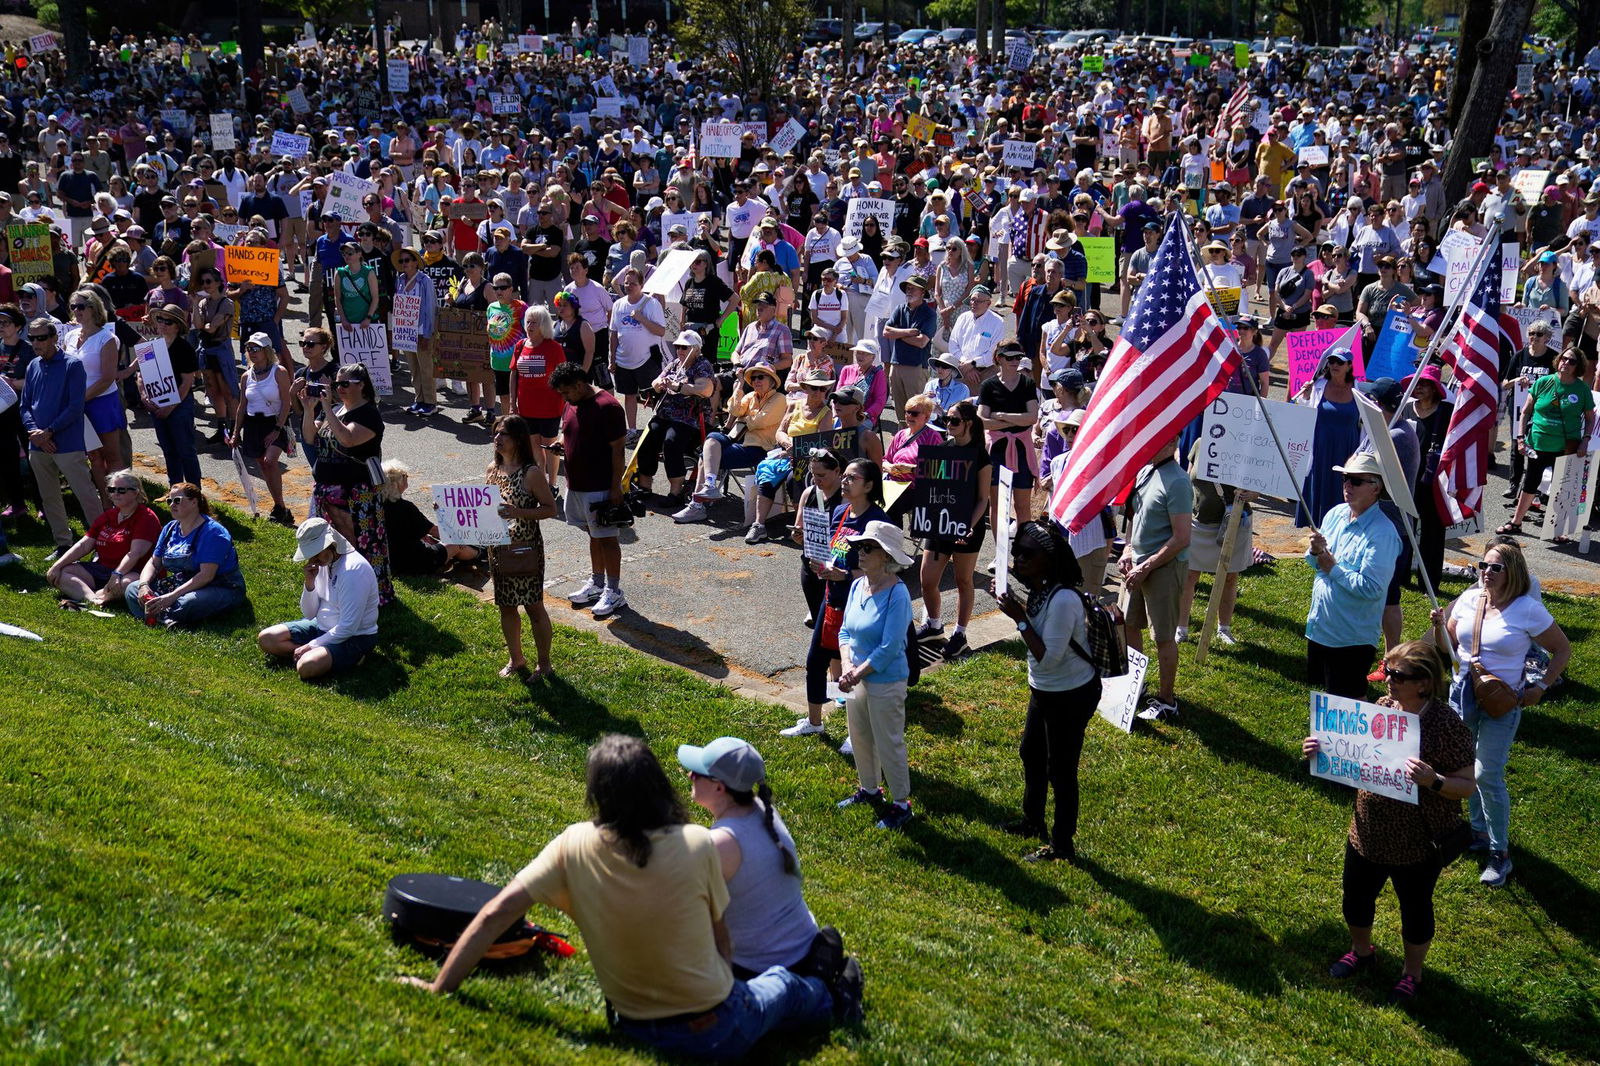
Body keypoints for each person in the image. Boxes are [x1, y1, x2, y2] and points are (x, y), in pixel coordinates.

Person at [400, 735, 860, 1060]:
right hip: (716, 1030)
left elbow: (494, 914)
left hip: (631, 1025)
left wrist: (439, 988)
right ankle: (830, 992)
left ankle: (821, 983)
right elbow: (721, 945)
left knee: (777, 983)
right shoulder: (700, 843)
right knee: (781, 986)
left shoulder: (569, 844)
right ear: (657, 788)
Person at [1302, 640, 1477, 1006]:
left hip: (1417, 841)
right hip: (1367, 829)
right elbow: (1357, 752)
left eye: (1398, 675)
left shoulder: (1446, 726)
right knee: (1355, 898)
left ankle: (1411, 974)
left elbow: (1467, 786)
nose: (1388, 680)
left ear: (1424, 683)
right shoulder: (1383, 708)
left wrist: (1435, 780)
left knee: (1414, 909)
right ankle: (1361, 951)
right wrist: (1323, 749)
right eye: (1387, 670)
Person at [1435, 542, 1570, 888]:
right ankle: (1478, 831)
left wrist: (1540, 687)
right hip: (1462, 695)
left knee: (1487, 775)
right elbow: (1448, 643)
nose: (1486, 572)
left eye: (1495, 568)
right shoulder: (1469, 599)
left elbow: (1561, 649)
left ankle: (1501, 854)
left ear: (1514, 573)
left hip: (1501, 702)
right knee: (1465, 767)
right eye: (1483, 565)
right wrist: (1438, 626)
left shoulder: (1527, 609)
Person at [677, 736, 844, 979]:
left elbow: (691, 915)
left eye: (697, 773)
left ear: (719, 787)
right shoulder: (764, 811)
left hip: (761, 968)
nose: (690, 776)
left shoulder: (722, 843)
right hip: (804, 948)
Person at [992, 521, 1100, 863]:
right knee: (1031, 753)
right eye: (1016, 551)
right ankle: (1032, 820)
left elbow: (1049, 658)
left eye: (1028, 553)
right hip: (1045, 690)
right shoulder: (1040, 589)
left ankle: (1062, 844)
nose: (1019, 558)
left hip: (1070, 693)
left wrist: (1019, 618)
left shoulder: (1064, 599)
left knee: (1061, 769)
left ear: (1048, 560)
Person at [785, 457, 889, 739]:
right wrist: (815, 555)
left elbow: (886, 570)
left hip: (862, 605)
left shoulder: (877, 522)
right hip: (832, 601)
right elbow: (833, 551)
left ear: (868, 485)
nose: (845, 482)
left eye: (852, 478)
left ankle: (857, 734)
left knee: (854, 670)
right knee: (816, 660)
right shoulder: (840, 511)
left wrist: (844, 575)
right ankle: (815, 721)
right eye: (845, 476)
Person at [835, 520, 916, 830]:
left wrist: (857, 672)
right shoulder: (857, 586)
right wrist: (846, 668)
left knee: (888, 742)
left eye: (867, 548)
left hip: (885, 680)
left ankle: (901, 803)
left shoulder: (898, 595)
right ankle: (869, 789)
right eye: (860, 547)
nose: (860, 552)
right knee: (860, 737)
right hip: (855, 678)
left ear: (886, 555)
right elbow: (845, 632)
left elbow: (890, 647)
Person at [293, 361, 394, 606]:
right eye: (337, 383)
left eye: (345, 384)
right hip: (327, 490)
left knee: (359, 543)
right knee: (330, 547)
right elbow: (309, 437)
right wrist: (309, 409)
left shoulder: (368, 413)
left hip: (355, 494)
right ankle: (337, 591)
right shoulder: (335, 409)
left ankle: (369, 595)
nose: (340, 388)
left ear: (362, 385)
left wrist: (327, 408)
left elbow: (347, 439)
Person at [1305, 453, 1401, 698]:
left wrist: (1332, 568)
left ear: (1376, 487)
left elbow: (1372, 588)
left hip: (1350, 639)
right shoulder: (1336, 514)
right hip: (1321, 628)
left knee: (1350, 701)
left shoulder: (1382, 534)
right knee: (1327, 697)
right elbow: (1315, 563)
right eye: (1346, 479)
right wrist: (1314, 552)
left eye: (1356, 481)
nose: (1348, 485)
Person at [911, 402, 991, 661]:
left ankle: (960, 633)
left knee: (963, 580)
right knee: (927, 579)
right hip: (938, 525)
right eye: (946, 419)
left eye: (954, 420)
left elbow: (982, 499)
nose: (948, 424)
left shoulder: (980, 455)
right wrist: (922, 519)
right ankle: (934, 625)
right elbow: (929, 489)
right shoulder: (941, 450)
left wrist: (968, 525)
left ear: (969, 422)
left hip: (967, 527)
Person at [1121, 434, 1191, 721]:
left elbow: (1182, 537)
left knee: (1162, 636)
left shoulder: (1178, 482)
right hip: (1138, 565)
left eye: (1157, 439)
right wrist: (1127, 549)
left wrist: (1146, 566)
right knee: (1128, 625)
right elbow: (1135, 516)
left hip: (1163, 568)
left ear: (1173, 443)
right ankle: (1134, 685)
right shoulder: (1145, 471)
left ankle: (1166, 700)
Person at [257, 517, 380, 680]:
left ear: (331, 545)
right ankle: (315, 655)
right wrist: (309, 584)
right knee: (266, 639)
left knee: (306, 668)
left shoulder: (353, 570)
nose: (312, 560)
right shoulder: (323, 563)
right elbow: (309, 614)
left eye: (316, 553)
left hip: (355, 637)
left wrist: (312, 645)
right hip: (321, 626)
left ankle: (351, 656)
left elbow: (349, 626)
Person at [21, 316, 104, 555]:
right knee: (49, 497)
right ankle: (63, 543)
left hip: (66, 443)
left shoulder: (72, 365)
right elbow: (25, 405)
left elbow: (75, 406)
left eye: (42, 338)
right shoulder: (33, 365)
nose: (37, 343)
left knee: (85, 494)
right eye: (32, 338)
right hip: (37, 445)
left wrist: (48, 432)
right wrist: (34, 432)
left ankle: (102, 543)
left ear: (54, 337)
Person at [552, 362, 629, 619]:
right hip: (576, 485)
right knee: (594, 535)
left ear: (579, 384)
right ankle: (597, 584)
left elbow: (618, 450)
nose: (564, 398)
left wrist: (616, 487)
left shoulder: (609, 407)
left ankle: (614, 591)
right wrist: (560, 443)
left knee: (607, 538)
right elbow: (569, 432)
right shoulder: (572, 403)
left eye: (566, 392)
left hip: (600, 487)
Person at [486, 415, 559, 678]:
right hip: (499, 549)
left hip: (526, 549)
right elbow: (485, 509)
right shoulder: (492, 470)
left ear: (517, 439)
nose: (497, 438)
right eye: (495, 433)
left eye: (503, 434)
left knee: (533, 606)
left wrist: (519, 512)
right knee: (506, 605)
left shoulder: (531, 473)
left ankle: (545, 664)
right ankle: (516, 659)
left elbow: (550, 509)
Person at [676, 364, 787, 525]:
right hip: (736, 439)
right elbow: (734, 411)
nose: (756, 381)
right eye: (753, 378)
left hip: (758, 448)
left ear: (771, 381)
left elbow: (760, 421)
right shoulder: (750, 396)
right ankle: (708, 485)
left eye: (760, 377)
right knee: (712, 438)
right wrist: (739, 386)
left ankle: (697, 503)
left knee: (704, 458)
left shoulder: (779, 399)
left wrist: (743, 420)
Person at [1500, 349, 1595, 538]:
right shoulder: (1543, 383)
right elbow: (1526, 412)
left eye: (1572, 361)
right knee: (1530, 483)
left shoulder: (1582, 389)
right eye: (1564, 358)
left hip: (1566, 446)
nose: (1566, 363)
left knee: (1563, 487)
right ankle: (1516, 522)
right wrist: (1520, 438)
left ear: (1579, 366)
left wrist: (1585, 441)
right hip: (1539, 443)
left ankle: (1558, 531)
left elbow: (1590, 418)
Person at [124, 483, 248, 627]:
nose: (172, 505)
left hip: (221, 586)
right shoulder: (170, 528)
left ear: (194, 502)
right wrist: (144, 585)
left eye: (177, 500)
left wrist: (171, 596)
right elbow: (154, 562)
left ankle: (155, 613)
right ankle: (165, 617)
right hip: (182, 583)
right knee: (132, 588)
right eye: (169, 501)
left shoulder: (213, 533)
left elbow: (206, 576)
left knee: (186, 603)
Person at [1175, 444, 1258, 646]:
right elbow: (1189, 478)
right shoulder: (1199, 443)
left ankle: (1224, 629)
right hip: (1198, 522)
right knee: (1189, 576)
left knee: (1229, 577)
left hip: (1233, 523)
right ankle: (1181, 628)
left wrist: (1252, 494)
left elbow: (1258, 488)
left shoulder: (1247, 445)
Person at [46, 469, 160, 608]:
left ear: (136, 492)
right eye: (111, 489)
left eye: (121, 490)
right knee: (63, 572)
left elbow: (135, 553)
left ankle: (94, 595)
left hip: (132, 571)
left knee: (128, 584)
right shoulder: (108, 516)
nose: (115, 493)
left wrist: (116, 574)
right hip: (102, 568)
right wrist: (56, 566)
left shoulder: (146, 518)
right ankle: (94, 599)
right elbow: (84, 545)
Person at [635, 330, 715, 501]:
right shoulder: (675, 364)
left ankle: (676, 491)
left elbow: (706, 389)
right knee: (648, 438)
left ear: (696, 349)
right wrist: (660, 384)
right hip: (665, 413)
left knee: (671, 442)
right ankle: (645, 485)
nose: (680, 351)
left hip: (689, 416)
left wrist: (678, 386)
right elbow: (655, 383)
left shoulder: (702, 365)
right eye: (678, 347)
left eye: (684, 348)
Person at [1294, 346, 1362, 527]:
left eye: (1340, 362)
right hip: (1321, 450)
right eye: (1331, 361)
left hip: (1347, 451)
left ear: (1349, 365)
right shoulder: (1318, 386)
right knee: (1320, 490)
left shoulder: (1359, 389)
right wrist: (1306, 396)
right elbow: (1303, 412)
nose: (1334, 365)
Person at [231, 333, 295, 525]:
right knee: (263, 465)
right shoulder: (245, 376)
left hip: (274, 422)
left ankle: (279, 505)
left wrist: (277, 429)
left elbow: (286, 403)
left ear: (267, 351)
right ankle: (280, 506)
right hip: (253, 424)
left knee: (270, 460)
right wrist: (236, 432)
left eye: (256, 348)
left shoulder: (279, 372)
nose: (252, 352)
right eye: (249, 348)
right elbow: (242, 406)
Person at [139, 303, 202, 486]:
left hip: (179, 405)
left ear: (177, 326)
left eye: (169, 321)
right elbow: (140, 376)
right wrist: (144, 396)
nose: (163, 324)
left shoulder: (184, 348)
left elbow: (187, 382)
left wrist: (170, 406)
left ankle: (193, 491)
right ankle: (174, 488)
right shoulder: (151, 346)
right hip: (157, 405)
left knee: (185, 450)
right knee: (168, 449)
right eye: (160, 319)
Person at [379, 460, 478, 575]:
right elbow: (436, 531)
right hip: (416, 564)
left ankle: (454, 554)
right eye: (404, 476)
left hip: (392, 562)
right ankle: (478, 552)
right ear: (397, 483)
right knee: (455, 543)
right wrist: (462, 536)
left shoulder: (379, 506)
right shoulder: (405, 507)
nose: (407, 477)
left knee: (427, 538)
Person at [978, 344, 1039, 521]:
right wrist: (1018, 419)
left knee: (1022, 506)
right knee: (998, 505)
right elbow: (982, 421)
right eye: (1010, 357)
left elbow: (1032, 418)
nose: (1015, 361)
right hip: (997, 450)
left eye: (1018, 357)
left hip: (1021, 449)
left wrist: (1002, 416)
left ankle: (1022, 549)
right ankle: (1000, 548)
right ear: (999, 358)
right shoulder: (988, 385)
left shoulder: (1028, 383)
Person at [511, 305, 566, 485]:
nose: (530, 325)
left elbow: (563, 377)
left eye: (534, 322)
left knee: (550, 448)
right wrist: (513, 402)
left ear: (543, 325)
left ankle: (552, 484)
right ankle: (541, 481)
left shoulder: (554, 348)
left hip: (550, 407)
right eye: (527, 321)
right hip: (527, 407)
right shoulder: (520, 346)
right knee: (534, 447)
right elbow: (514, 374)